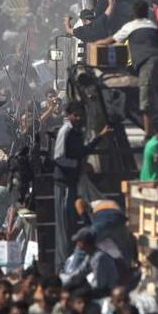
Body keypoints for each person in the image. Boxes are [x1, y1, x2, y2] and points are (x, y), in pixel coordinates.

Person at [100, 0, 158, 137]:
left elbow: (110, 41)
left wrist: (95, 44)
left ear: (133, 14)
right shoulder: (152, 25)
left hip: (148, 62)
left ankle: (148, 135)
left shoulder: (131, 26)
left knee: (146, 100)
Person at [53, 101, 114, 267]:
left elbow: (83, 151)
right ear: (69, 114)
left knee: (72, 223)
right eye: (76, 115)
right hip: (64, 185)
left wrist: (100, 136)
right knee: (66, 227)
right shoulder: (65, 131)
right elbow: (58, 157)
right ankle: (63, 264)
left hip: (73, 183)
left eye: (81, 115)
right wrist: (77, 165)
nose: (79, 118)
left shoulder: (77, 132)